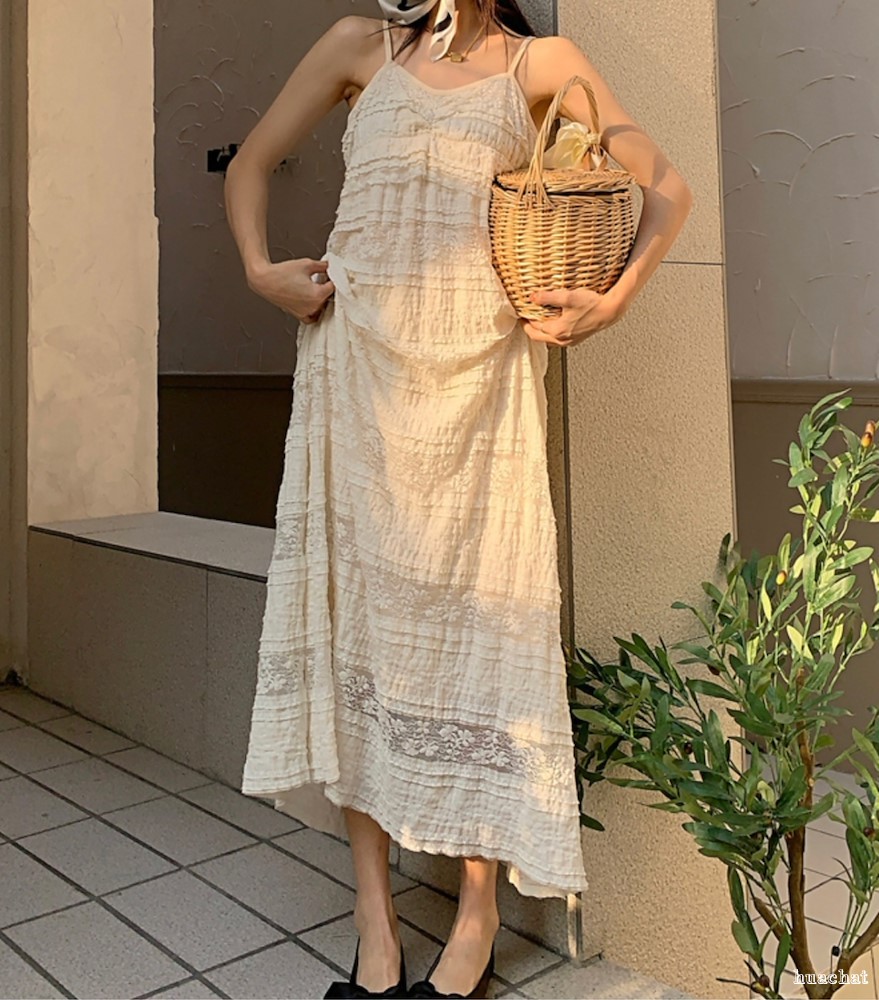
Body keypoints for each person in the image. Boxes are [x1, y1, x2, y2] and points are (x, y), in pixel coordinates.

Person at [224, 1, 692, 997]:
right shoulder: (360, 45)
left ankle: (476, 917)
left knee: (484, 637)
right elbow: (250, 163)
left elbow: (667, 187)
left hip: (480, 385)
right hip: (355, 373)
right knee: (357, 631)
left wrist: (608, 303)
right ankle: (374, 917)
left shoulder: (539, 63)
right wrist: (263, 274)